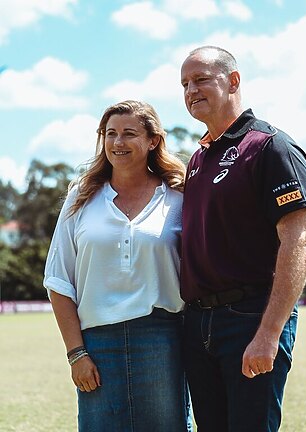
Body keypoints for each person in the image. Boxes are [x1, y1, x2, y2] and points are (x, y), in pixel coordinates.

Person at [180, 45, 306, 431]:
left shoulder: (270, 147)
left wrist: (268, 333)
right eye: (185, 84)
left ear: (234, 81)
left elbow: (300, 241)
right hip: (198, 322)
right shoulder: (198, 157)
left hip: (249, 319)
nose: (191, 90)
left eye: (202, 79)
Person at [44, 100, 192, 432]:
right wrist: (76, 354)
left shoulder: (180, 196)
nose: (118, 143)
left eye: (129, 133)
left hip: (162, 339)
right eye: (110, 134)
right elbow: (58, 280)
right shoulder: (81, 196)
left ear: (153, 140)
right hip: (96, 344)